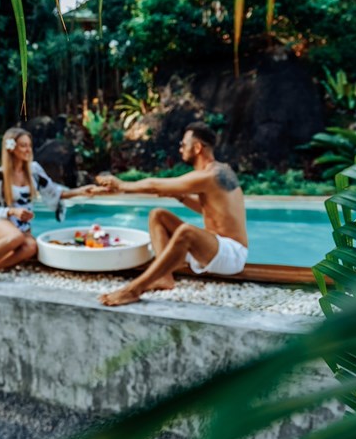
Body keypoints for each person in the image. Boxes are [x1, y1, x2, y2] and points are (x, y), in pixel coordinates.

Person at [96, 122, 248, 306]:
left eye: (184, 144)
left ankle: (133, 289)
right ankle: (163, 279)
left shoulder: (210, 176)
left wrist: (121, 185)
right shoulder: (219, 171)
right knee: (158, 216)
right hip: (214, 247)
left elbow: (154, 185)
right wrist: (181, 197)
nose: (180, 148)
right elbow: (213, 211)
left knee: (187, 232)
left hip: (231, 254)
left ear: (198, 147)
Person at [0, 127, 97, 296]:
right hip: (0, 224)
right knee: (16, 237)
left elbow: (54, 192)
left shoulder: (34, 171)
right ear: (11, 148)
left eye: (29, 145)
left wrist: (82, 191)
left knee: (31, 247)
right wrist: (12, 212)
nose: (28, 150)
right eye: (23, 145)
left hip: (22, 229)